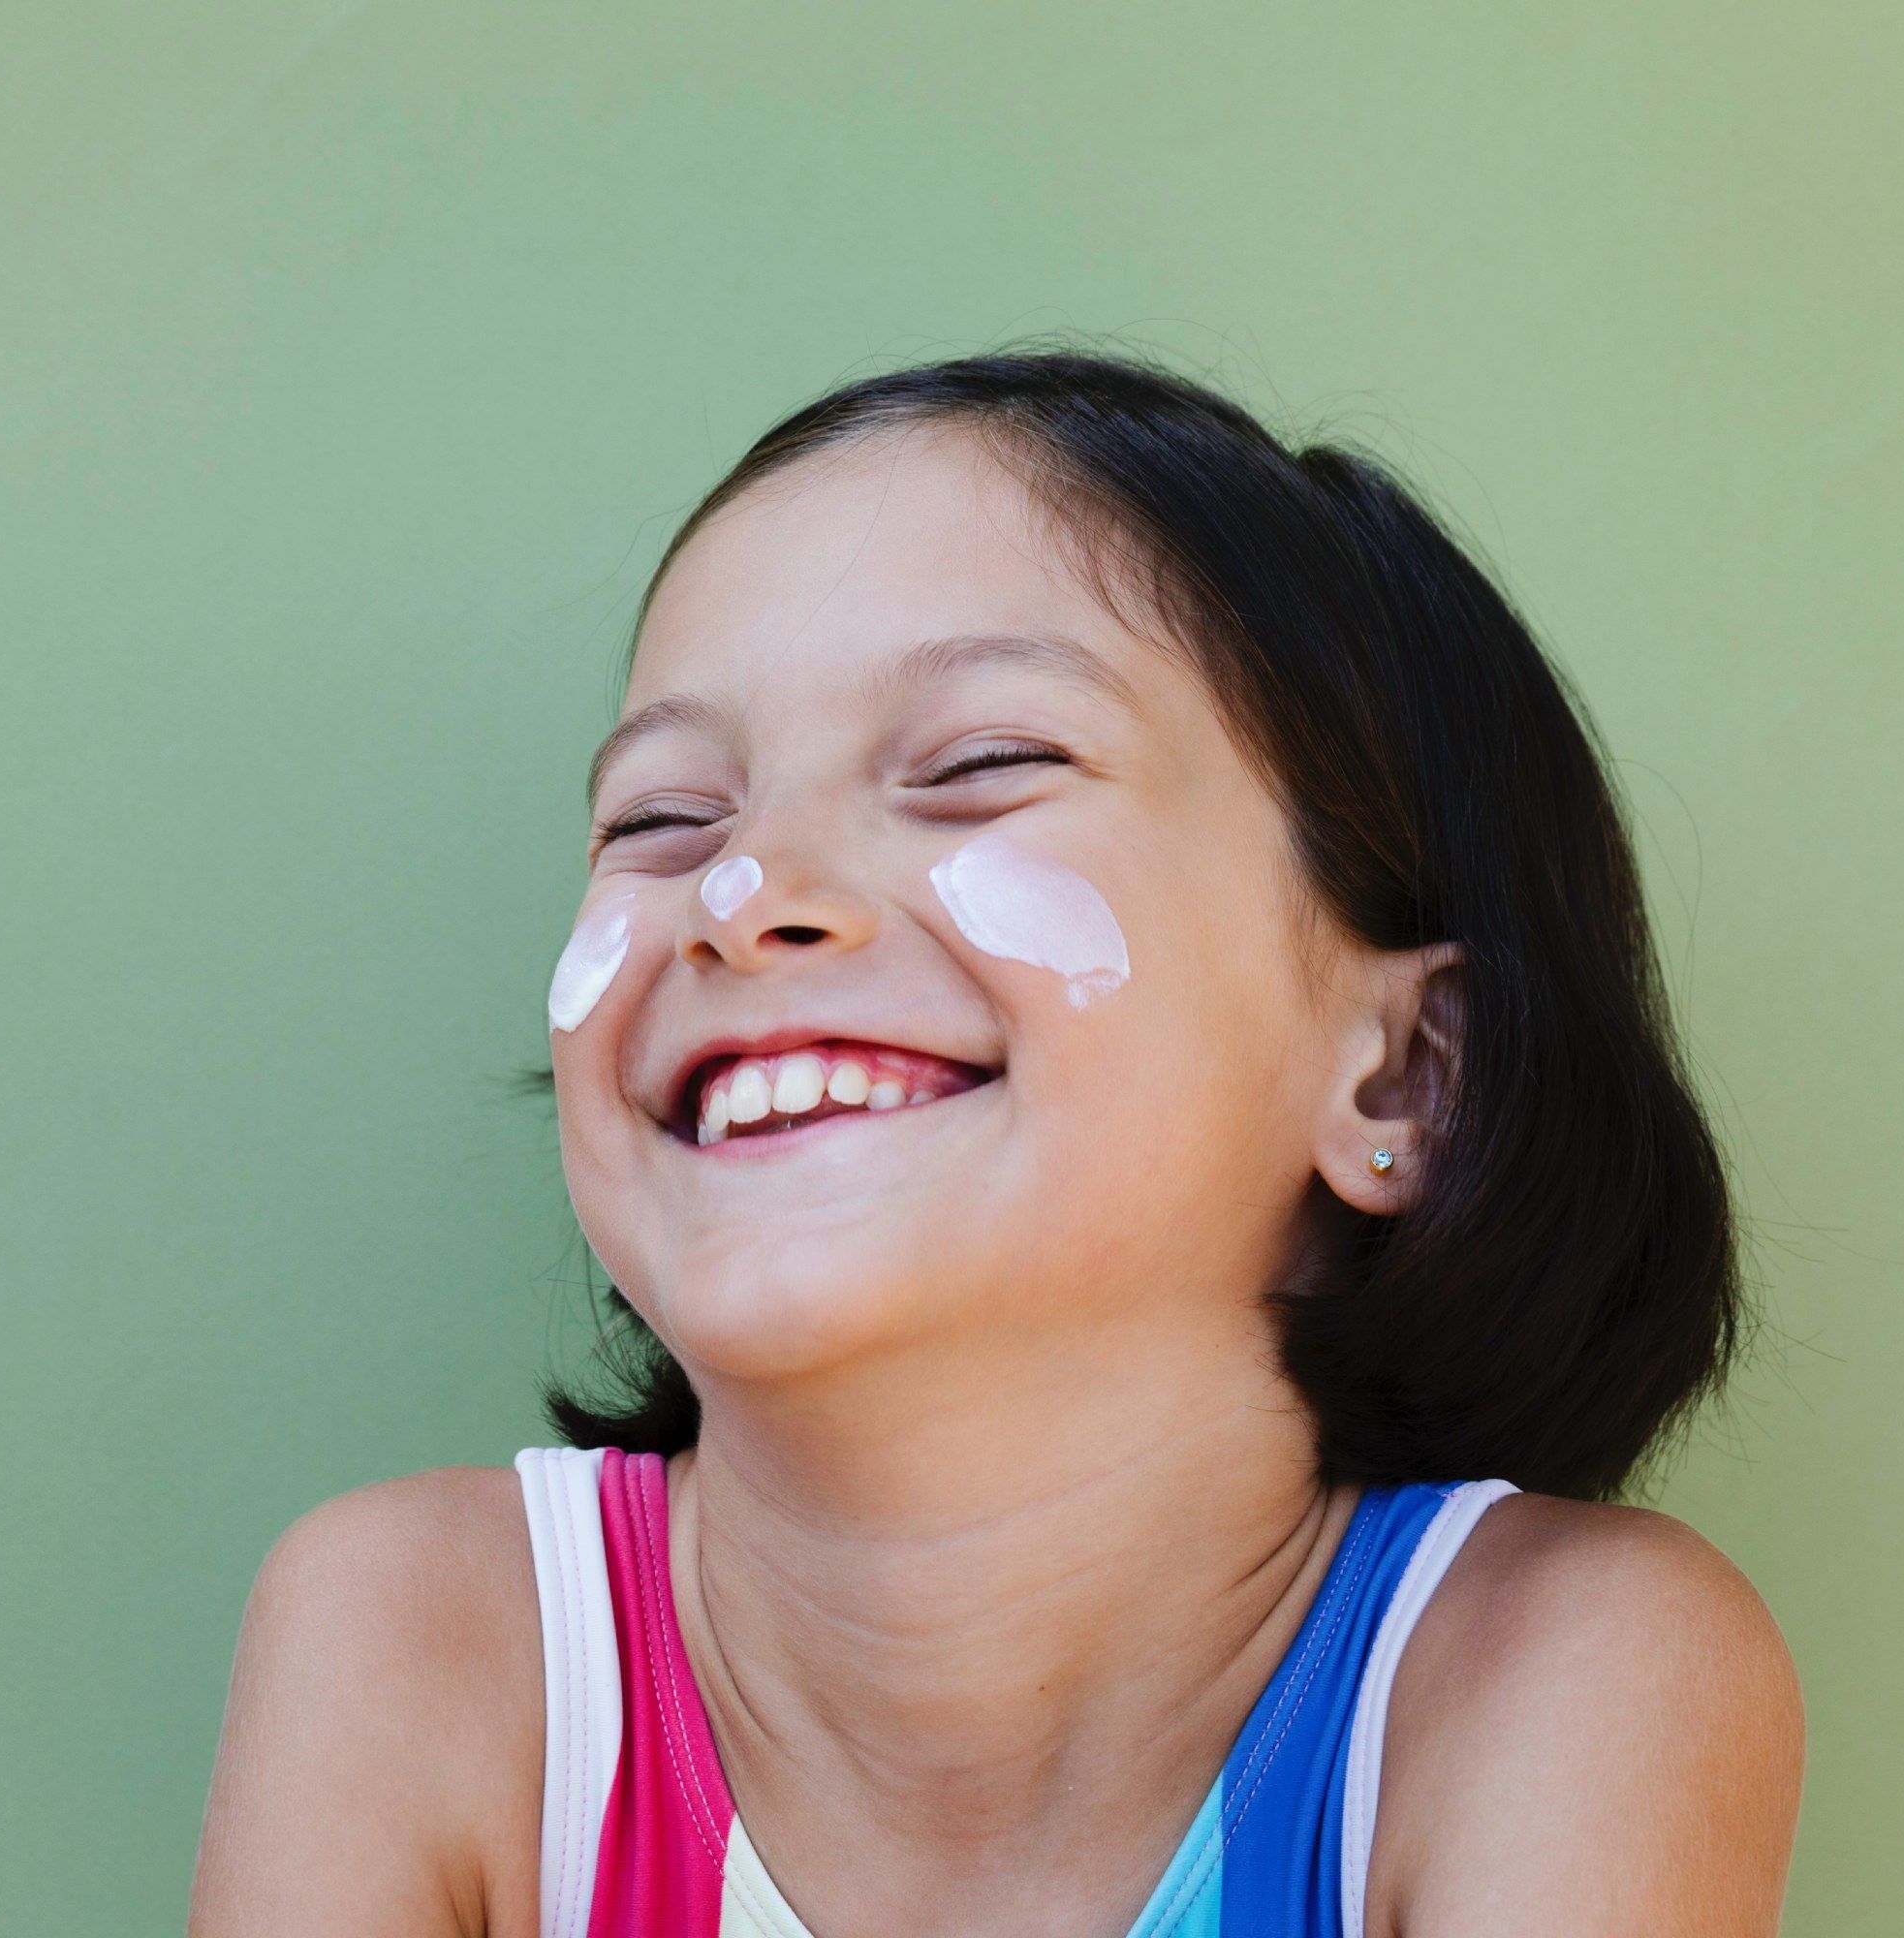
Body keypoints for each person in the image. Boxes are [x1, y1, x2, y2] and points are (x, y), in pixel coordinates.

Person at [187, 348, 1804, 1937]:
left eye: (982, 768)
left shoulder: (1549, 1670)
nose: (748, 898)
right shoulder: (427, 1646)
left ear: (1401, 1081)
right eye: (663, 821)